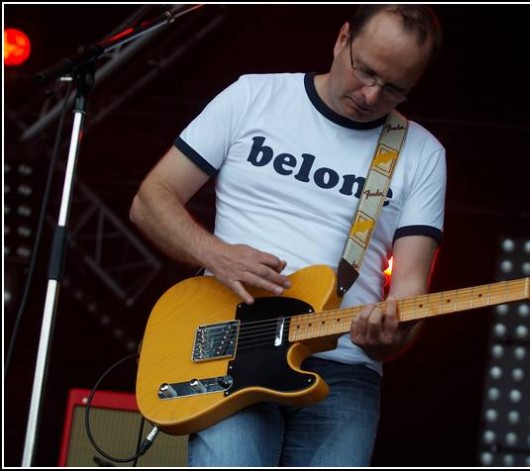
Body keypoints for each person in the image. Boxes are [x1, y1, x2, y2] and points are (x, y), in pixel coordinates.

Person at [130, 4, 445, 467]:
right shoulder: (254, 96)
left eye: (395, 88)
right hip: (233, 347)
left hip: (344, 369)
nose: (371, 94)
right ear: (342, 39)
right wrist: (216, 254)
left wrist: (391, 339)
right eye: (366, 71)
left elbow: (411, 289)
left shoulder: (421, 153)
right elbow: (151, 200)